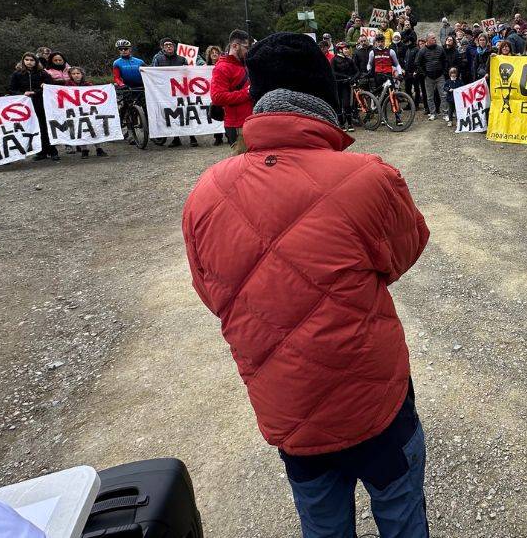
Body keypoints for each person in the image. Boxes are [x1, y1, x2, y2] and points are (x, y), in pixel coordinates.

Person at [183, 33, 431, 536]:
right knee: (402, 513)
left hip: (287, 402)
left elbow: (212, 294)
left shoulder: (206, 192)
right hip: (374, 395)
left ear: (257, 97)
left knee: (322, 525)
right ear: (325, 96)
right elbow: (405, 252)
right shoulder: (370, 177)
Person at [8, 52, 58, 161]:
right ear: (23, 61)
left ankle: (52, 150)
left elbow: (51, 86)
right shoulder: (17, 74)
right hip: (25, 105)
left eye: (32, 60)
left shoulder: (42, 73)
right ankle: (41, 152)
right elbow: (11, 89)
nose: (29, 62)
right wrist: (23, 93)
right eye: (27, 60)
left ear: (36, 62)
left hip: (41, 103)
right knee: (34, 128)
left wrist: (38, 90)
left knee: (45, 127)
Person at [153, 38, 199, 147]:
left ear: (174, 47)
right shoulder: (158, 60)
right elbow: (154, 73)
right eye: (166, 45)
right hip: (166, 92)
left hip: (181, 91)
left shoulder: (182, 59)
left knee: (186, 112)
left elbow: (188, 73)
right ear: (163, 47)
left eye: (170, 45)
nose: (169, 46)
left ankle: (192, 137)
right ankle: (176, 138)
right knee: (173, 114)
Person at [210, 29, 253, 145]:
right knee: (242, 157)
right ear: (235, 46)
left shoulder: (244, 64)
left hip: (251, 121)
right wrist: (248, 92)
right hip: (237, 126)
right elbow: (217, 97)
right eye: (247, 48)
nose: (248, 51)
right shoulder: (222, 68)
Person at [63, 66, 108, 158]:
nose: (76, 75)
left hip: (88, 110)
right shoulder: (67, 85)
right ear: (70, 75)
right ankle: (84, 150)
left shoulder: (88, 84)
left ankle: (98, 148)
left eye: (78, 73)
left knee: (93, 128)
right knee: (80, 129)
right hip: (76, 111)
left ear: (82, 74)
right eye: (73, 74)